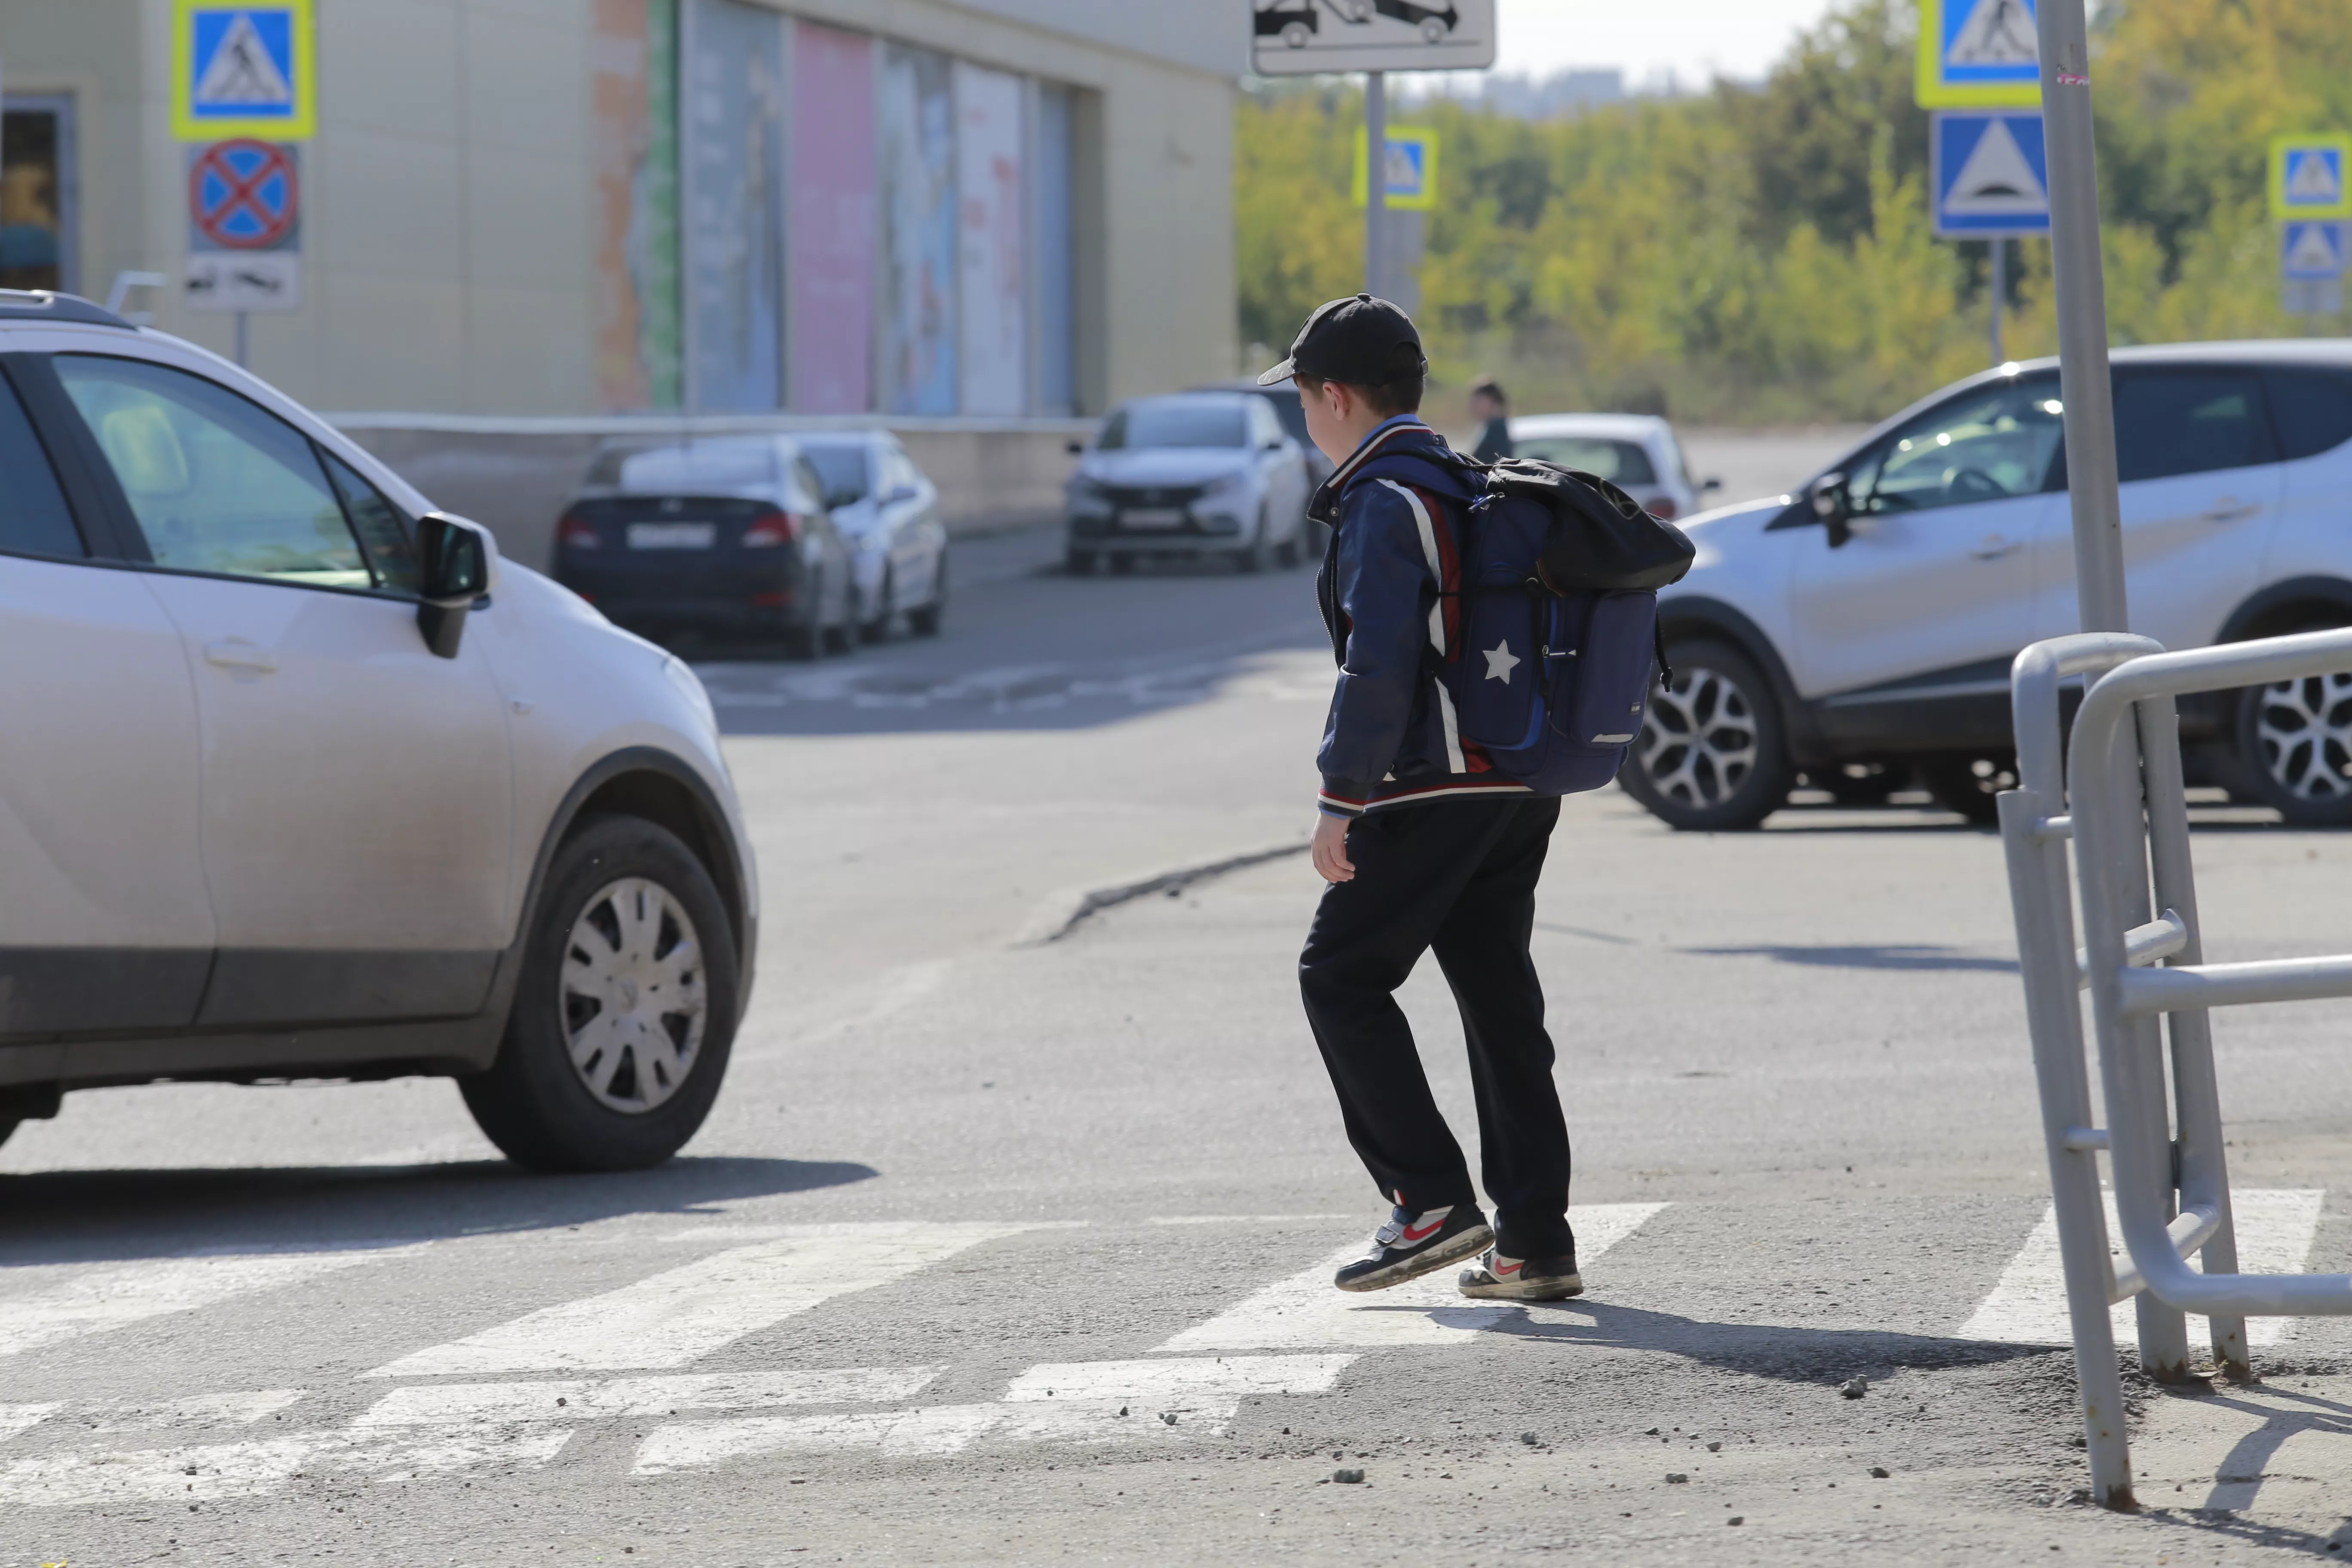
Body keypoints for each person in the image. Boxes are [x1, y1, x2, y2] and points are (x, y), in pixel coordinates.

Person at [1257, 296, 1580, 1304]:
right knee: (1495, 999)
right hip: (1515, 780)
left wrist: (1339, 799)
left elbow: (1378, 664)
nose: (1302, 420)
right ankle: (1532, 1241)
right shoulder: (1458, 478)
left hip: (1428, 785)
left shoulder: (1382, 500)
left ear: (1335, 397)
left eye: (1303, 400)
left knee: (1338, 976)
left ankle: (1428, 1198)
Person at [1468, 377, 1514, 464]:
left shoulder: (1497, 430)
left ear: (1491, 400)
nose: (1474, 407)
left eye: (1478, 401)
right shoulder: (1491, 427)